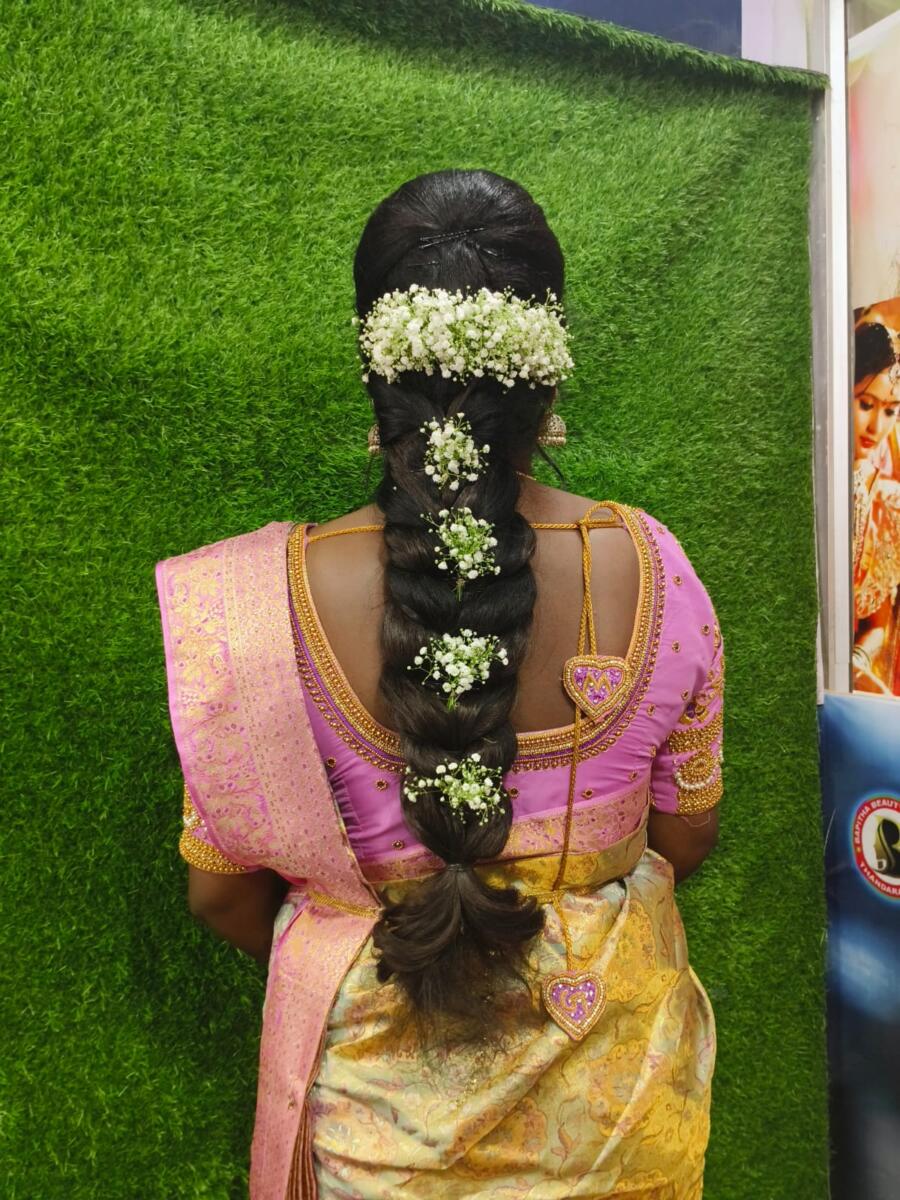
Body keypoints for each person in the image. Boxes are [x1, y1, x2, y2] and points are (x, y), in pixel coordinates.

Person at [156, 168, 724, 1200]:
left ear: (380, 380)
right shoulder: (653, 566)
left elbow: (220, 891)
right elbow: (685, 838)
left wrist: (385, 925)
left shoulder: (246, 606)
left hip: (383, 1152)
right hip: (621, 1129)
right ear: (548, 379)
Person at [851, 310, 900, 695]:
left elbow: (878, 623)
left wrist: (858, 661)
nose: (877, 427)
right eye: (866, 404)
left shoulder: (886, 505)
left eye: (890, 411)